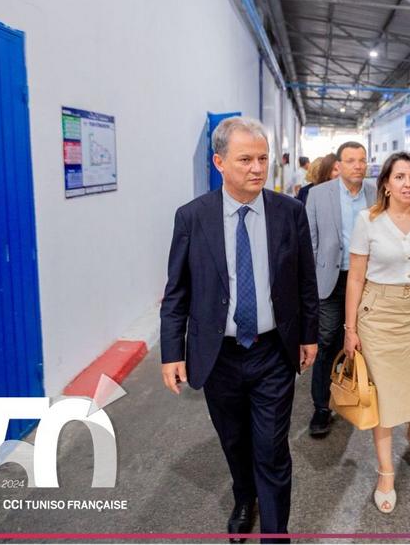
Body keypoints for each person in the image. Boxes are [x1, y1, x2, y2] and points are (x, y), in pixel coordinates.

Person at [160, 116, 319, 543]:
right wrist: (172, 353)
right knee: (233, 440)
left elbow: (305, 281)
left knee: (271, 447)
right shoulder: (193, 218)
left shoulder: (290, 212)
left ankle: (275, 533)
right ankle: (244, 497)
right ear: (219, 162)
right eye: (245, 159)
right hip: (219, 354)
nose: (257, 168)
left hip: (272, 351)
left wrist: (309, 335)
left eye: (263, 159)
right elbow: (177, 292)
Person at [343, 152, 410, 514]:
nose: (408, 183)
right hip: (379, 316)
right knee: (385, 399)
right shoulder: (368, 220)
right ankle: (386, 472)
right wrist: (350, 329)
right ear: (386, 184)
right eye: (400, 177)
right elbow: (355, 278)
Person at [304, 142, 373, 437]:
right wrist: (312, 279)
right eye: (351, 160)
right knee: (327, 339)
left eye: (362, 160)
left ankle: (365, 396)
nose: (357, 165)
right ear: (339, 165)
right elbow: (310, 240)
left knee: (366, 340)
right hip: (331, 279)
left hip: (368, 280)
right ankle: (322, 406)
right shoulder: (319, 194)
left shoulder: (376, 192)